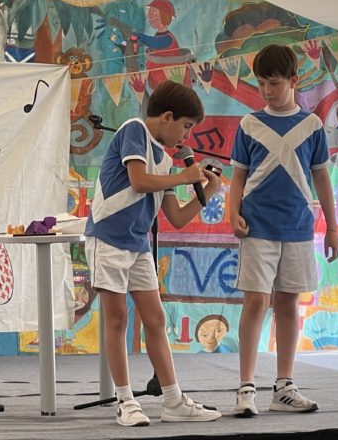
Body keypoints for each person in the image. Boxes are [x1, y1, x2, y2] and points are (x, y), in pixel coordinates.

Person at [84, 80, 222, 427]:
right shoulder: (135, 130)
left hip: (138, 244)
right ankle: (125, 401)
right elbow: (139, 181)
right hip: (108, 239)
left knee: (156, 319)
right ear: (167, 117)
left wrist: (209, 189)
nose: (187, 136)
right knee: (117, 317)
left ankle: (173, 400)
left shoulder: (166, 161)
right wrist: (184, 177)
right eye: (186, 126)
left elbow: (176, 218)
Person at [229, 44, 338, 417]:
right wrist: (232, 212)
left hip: (297, 226)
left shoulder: (312, 126)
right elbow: (238, 176)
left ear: (294, 81)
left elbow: (321, 177)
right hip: (257, 225)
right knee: (256, 301)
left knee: (288, 302)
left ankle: (284, 386)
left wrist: (332, 228)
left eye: (274, 83)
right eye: (261, 83)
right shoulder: (249, 124)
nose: (267, 91)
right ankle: (246, 387)